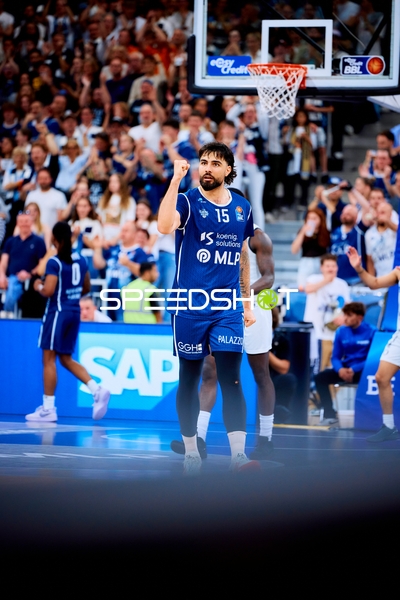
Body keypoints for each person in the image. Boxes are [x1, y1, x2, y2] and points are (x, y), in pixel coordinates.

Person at [158, 142, 258, 475]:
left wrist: (247, 303)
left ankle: (238, 457)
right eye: (203, 162)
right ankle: (191, 453)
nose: (207, 168)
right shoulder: (187, 201)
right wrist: (175, 180)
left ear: (229, 170)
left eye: (215, 163)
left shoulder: (242, 207)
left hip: (227, 307)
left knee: (231, 379)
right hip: (189, 306)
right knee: (189, 378)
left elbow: (243, 257)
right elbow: (163, 226)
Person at [170, 221, 275, 460]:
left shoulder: (258, 237)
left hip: (253, 309)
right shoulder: (215, 232)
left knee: (261, 374)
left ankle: (266, 439)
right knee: (209, 372)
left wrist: (239, 295)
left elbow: (268, 278)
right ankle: (199, 438)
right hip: (221, 309)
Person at [25, 222, 110, 422]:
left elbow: (48, 290)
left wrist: (37, 285)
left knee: (48, 359)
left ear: (55, 239)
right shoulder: (81, 259)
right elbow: (86, 287)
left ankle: (48, 409)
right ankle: (96, 390)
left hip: (57, 313)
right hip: (74, 312)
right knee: (65, 358)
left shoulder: (54, 262)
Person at [347, 246, 400, 442]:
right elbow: (374, 284)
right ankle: (389, 426)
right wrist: (359, 268)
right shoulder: (398, 272)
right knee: (381, 377)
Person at [314, 301, 376, 426]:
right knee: (320, 378)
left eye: (349, 315)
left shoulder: (372, 331)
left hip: (364, 371)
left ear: (360, 317)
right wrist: (340, 370)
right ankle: (330, 415)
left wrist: (354, 369)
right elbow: (335, 357)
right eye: (345, 315)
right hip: (345, 370)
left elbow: (373, 358)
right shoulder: (341, 331)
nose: (345, 318)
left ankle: (371, 417)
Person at [291, 207, 331, 287]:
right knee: (303, 286)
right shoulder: (302, 231)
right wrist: (303, 232)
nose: (311, 220)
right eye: (309, 218)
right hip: (306, 262)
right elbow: (294, 250)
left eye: (314, 218)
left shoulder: (325, 232)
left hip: (321, 262)